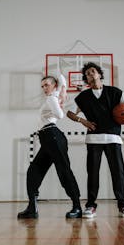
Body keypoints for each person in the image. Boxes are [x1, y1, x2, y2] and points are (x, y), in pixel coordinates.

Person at [67, 62, 124, 219]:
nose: (91, 75)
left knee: (118, 173)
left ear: (99, 74)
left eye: (93, 71)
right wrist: (83, 121)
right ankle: (90, 206)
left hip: (114, 138)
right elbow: (69, 113)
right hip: (93, 139)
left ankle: (123, 205)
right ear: (86, 80)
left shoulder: (114, 92)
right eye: (87, 74)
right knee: (92, 173)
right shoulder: (83, 97)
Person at [17, 74, 82, 219]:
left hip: (52, 136)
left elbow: (59, 115)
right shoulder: (55, 96)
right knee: (33, 171)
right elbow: (61, 78)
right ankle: (32, 208)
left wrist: (60, 95)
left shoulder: (52, 98)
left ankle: (77, 207)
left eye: (47, 85)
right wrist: (63, 90)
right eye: (42, 86)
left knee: (64, 171)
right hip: (47, 138)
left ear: (53, 85)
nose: (44, 88)